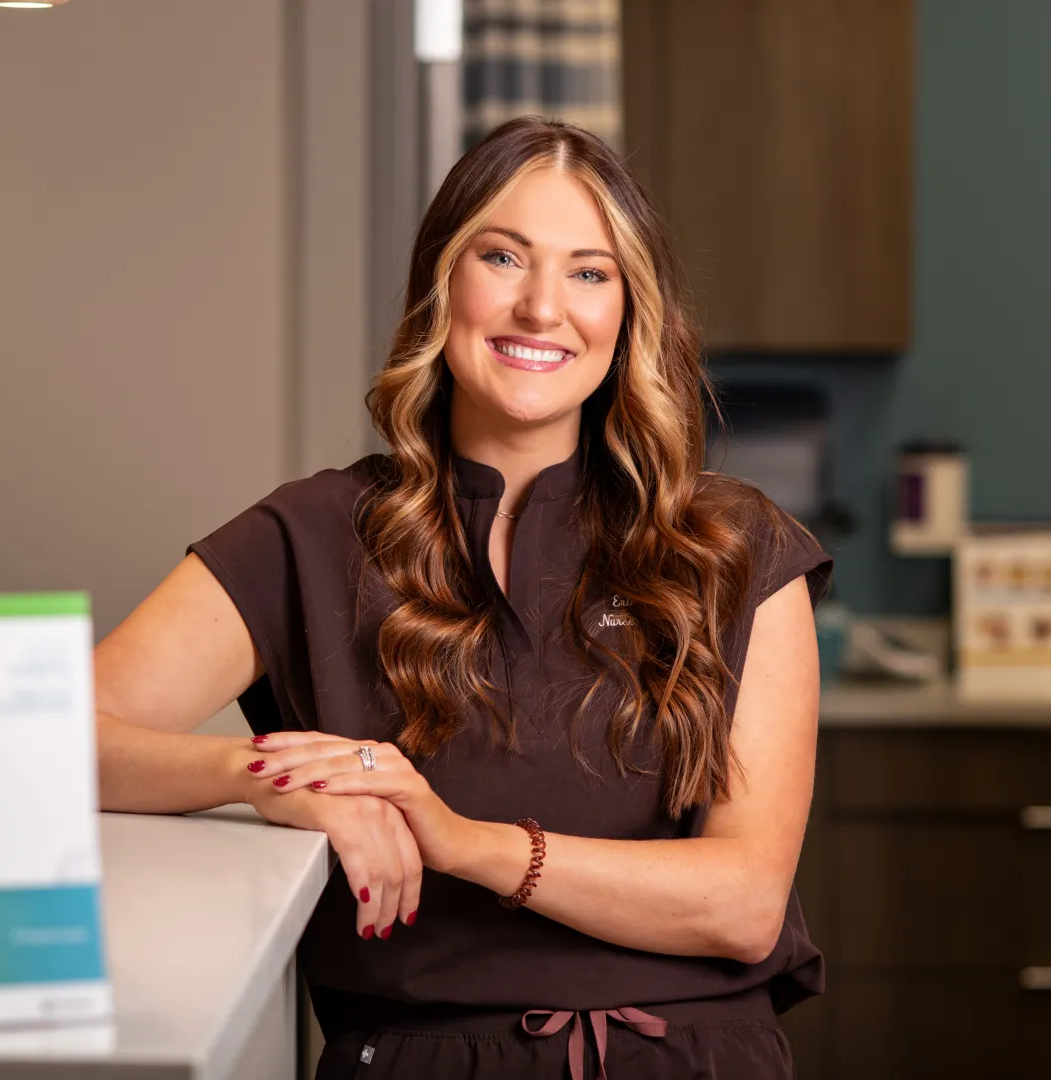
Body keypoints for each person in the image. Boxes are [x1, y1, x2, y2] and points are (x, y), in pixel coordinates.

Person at [93, 116, 830, 1079]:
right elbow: (51, 746)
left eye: (589, 272)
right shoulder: (311, 534)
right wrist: (279, 776)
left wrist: (463, 843)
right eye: (503, 256)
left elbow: (741, 905)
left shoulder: (737, 548)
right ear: (443, 281)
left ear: (629, 311)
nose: (540, 307)